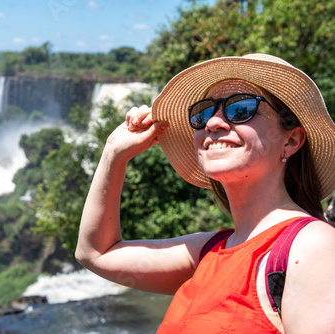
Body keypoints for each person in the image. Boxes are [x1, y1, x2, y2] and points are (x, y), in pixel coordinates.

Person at [75, 54, 335, 333]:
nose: (213, 123)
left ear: (291, 139)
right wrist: (114, 152)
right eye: (204, 113)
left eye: (241, 109)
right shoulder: (208, 251)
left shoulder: (310, 246)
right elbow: (95, 253)